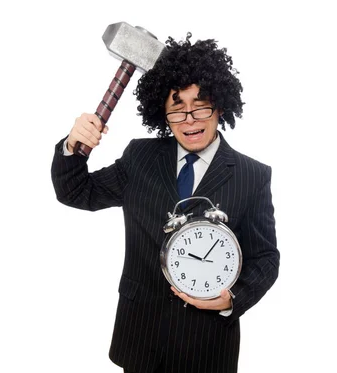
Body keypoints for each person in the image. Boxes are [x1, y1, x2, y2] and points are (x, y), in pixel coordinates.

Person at [51, 33, 279, 373]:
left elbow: (265, 258)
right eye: (177, 108)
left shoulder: (252, 175)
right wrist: (73, 146)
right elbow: (76, 192)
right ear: (163, 114)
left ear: (220, 107)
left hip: (207, 345)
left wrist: (233, 298)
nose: (190, 119)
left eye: (201, 106)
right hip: (141, 339)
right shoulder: (139, 157)